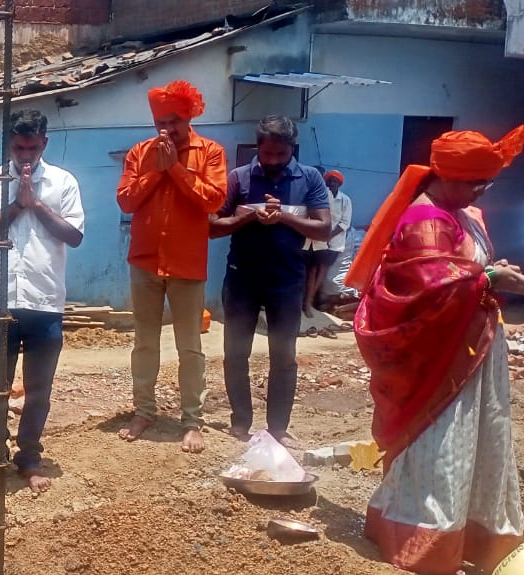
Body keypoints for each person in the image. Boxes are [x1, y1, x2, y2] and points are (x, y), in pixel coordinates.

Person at [349, 126, 524, 574]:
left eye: (485, 183)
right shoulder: (425, 219)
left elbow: (463, 270)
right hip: (439, 358)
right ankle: (426, 539)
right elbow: (426, 287)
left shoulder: (468, 215)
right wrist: (488, 279)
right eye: (472, 182)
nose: (480, 191)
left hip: (474, 347)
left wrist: (490, 274)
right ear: (445, 176)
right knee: (442, 441)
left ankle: (477, 535)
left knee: (482, 438)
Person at [0, 109, 84, 493]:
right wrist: (17, 205)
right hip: (0, 300)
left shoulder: (64, 183)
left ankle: (29, 458)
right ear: (9, 145)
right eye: (19, 147)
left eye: (32, 147)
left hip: (45, 301)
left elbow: (74, 235)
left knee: (39, 389)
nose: (25, 156)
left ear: (44, 143)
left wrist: (36, 204)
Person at [115, 80, 227, 453]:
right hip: (145, 262)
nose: (167, 129)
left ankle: (191, 421)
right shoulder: (140, 153)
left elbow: (213, 200)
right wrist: (158, 171)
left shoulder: (210, 152)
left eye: (175, 121)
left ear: (190, 115)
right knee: (144, 343)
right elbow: (126, 202)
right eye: (161, 122)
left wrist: (176, 169)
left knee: (190, 347)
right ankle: (144, 411)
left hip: (187, 265)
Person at [210, 115, 330, 447]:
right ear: (258, 148)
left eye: (281, 155)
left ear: (292, 149)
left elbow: (324, 228)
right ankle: (240, 423)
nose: (274, 161)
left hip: (287, 280)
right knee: (236, 353)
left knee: (284, 356)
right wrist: (245, 215)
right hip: (241, 279)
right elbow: (211, 226)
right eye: (268, 155)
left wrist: (286, 217)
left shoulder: (310, 179)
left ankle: (278, 429)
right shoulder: (239, 178)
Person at [302, 170, 353, 319]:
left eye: (334, 181)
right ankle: (307, 302)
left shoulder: (345, 200)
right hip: (316, 242)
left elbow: (344, 223)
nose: (331, 183)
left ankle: (310, 301)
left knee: (321, 272)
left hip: (333, 243)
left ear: (339, 184)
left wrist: (327, 236)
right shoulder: (321, 196)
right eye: (329, 180)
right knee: (312, 270)